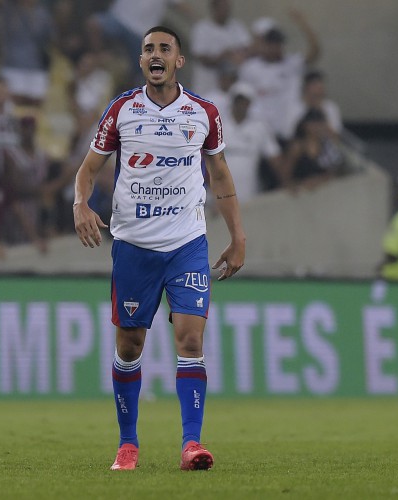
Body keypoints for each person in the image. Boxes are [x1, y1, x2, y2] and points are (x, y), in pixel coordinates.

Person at [73, 26, 245, 472]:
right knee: (130, 347)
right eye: (148, 48)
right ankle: (127, 444)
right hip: (133, 245)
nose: (155, 55)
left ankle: (192, 445)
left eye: (164, 48)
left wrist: (238, 238)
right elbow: (88, 170)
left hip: (187, 243)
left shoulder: (203, 113)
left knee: (191, 338)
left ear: (179, 61)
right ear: (141, 60)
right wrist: (81, 205)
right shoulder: (122, 111)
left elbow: (221, 176)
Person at [238, 9, 321, 143]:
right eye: (272, 44)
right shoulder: (250, 68)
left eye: (279, 43)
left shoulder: (291, 64)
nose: (276, 48)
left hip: (287, 130)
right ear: (265, 44)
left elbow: (315, 52)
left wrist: (303, 25)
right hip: (260, 132)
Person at [189, 0, 250, 95]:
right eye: (222, 8)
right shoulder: (202, 28)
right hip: (207, 84)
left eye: (227, 8)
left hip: (231, 85)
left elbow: (246, 49)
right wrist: (223, 56)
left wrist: (235, 56)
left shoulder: (237, 27)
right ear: (214, 9)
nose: (225, 11)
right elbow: (201, 57)